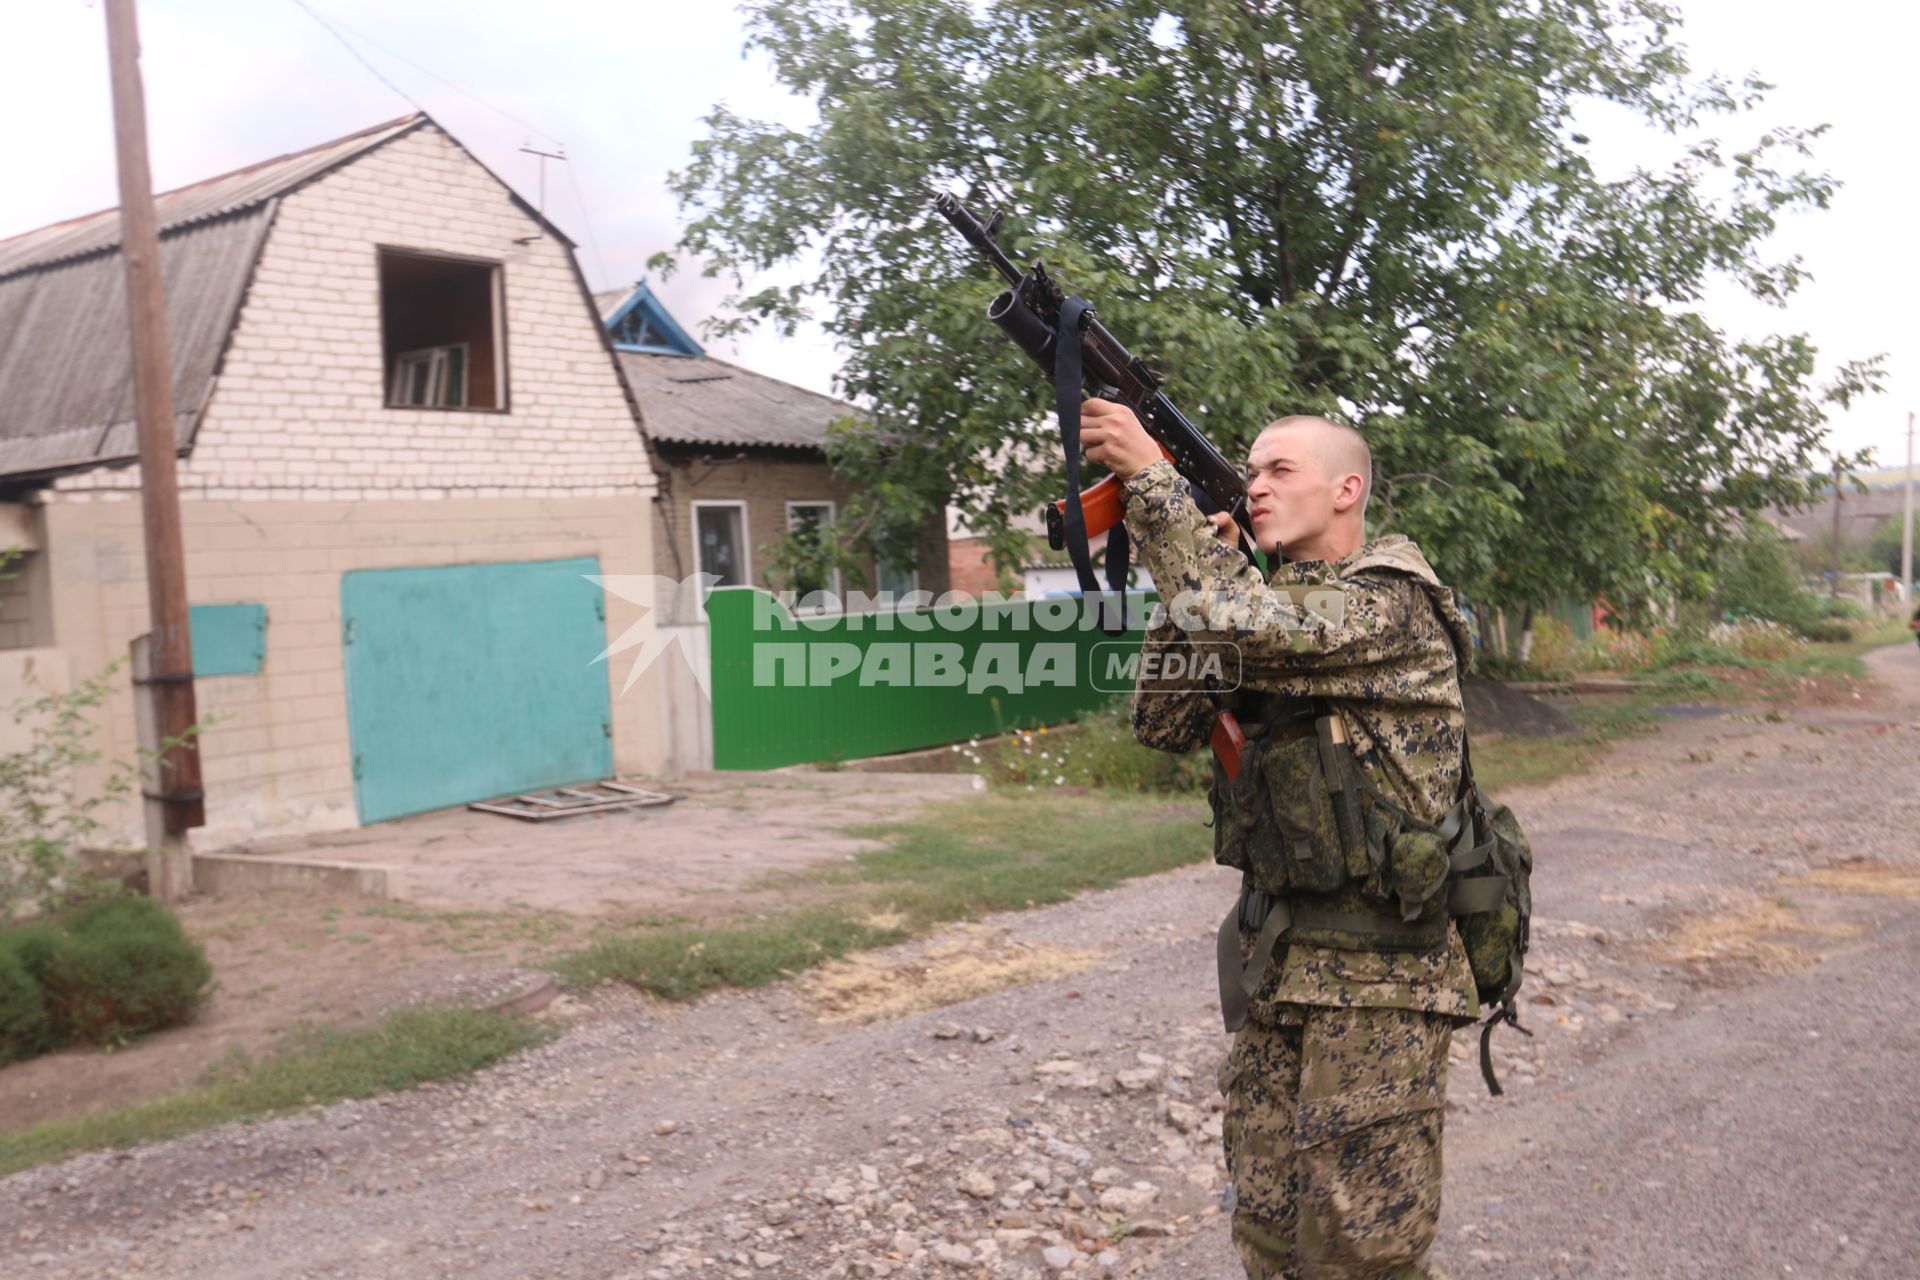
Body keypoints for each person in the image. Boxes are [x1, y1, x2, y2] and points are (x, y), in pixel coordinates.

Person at [1080, 399, 1477, 1280]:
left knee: (1360, 1257)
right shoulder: (1262, 607)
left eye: (1279, 471)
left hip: (1378, 984)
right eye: (1250, 471)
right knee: (1269, 1241)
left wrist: (1154, 487)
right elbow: (1163, 717)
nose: (1257, 486)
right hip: (1282, 970)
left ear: (1348, 489)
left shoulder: (1390, 602)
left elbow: (1244, 628)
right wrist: (1195, 573)